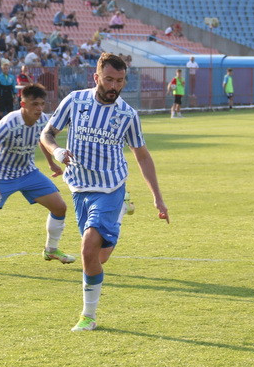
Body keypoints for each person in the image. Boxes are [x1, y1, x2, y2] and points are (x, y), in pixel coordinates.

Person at [42, 53, 169, 331]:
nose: (114, 86)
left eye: (120, 81)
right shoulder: (75, 101)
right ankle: (120, 212)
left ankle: (88, 316)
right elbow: (47, 134)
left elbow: (142, 155)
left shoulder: (127, 114)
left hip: (110, 187)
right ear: (96, 77)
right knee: (98, 257)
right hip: (79, 188)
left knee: (88, 248)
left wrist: (157, 198)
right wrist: (57, 151)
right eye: (109, 79)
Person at [0, 83, 73, 273]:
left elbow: (43, 139)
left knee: (60, 207)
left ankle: (51, 250)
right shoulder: (9, 123)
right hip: (1, 176)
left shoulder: (43, 120)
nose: (39, 109)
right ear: (23, 104)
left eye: (42, 104)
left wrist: (51, 163)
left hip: (28, 173)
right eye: (35, 104)